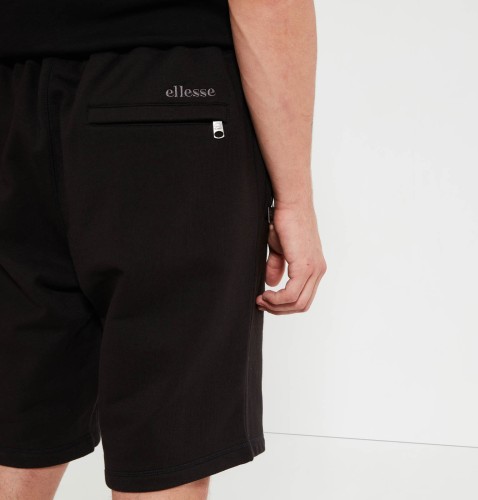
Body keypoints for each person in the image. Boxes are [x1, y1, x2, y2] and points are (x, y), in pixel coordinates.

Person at [0, 0, 327, 498]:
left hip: (14, 99)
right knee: (168, 445)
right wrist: (296, 200)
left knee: (15, 421)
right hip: (165, 97)